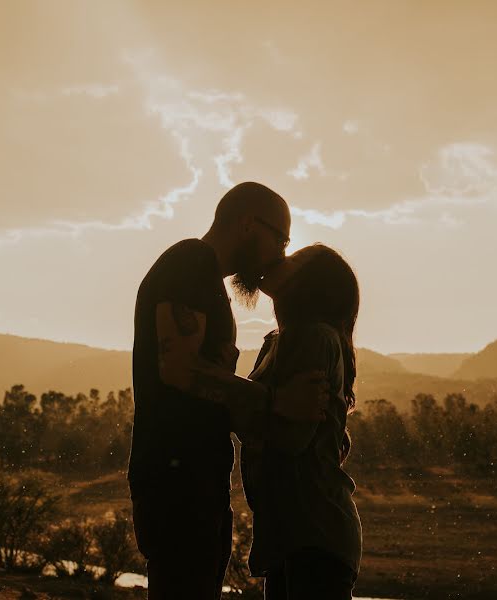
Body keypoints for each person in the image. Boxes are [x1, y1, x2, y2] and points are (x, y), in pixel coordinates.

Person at [128, 182, 330, 600]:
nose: (280, 253)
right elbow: (180, 369)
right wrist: (277, 402)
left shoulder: (204, 279)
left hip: (193, 479)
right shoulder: (189, 261)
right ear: (248, 224)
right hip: (176, 484)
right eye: (281, 238)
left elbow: (205, 385)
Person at [240, 243, 363, 600]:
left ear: (308, 285)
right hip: (298, 535)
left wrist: (238, 410)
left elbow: (292, 437)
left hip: (313, 534)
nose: (280, 259)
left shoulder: (313, 336)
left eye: (294, 260)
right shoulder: (281, 340)